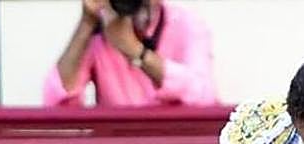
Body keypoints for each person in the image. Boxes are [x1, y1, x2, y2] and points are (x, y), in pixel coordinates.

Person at [43, 0, 216, 108]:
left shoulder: (186, 24)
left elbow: (204, 96)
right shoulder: (101, 30)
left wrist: (135, 51)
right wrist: (87, 23)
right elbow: (56, 101)